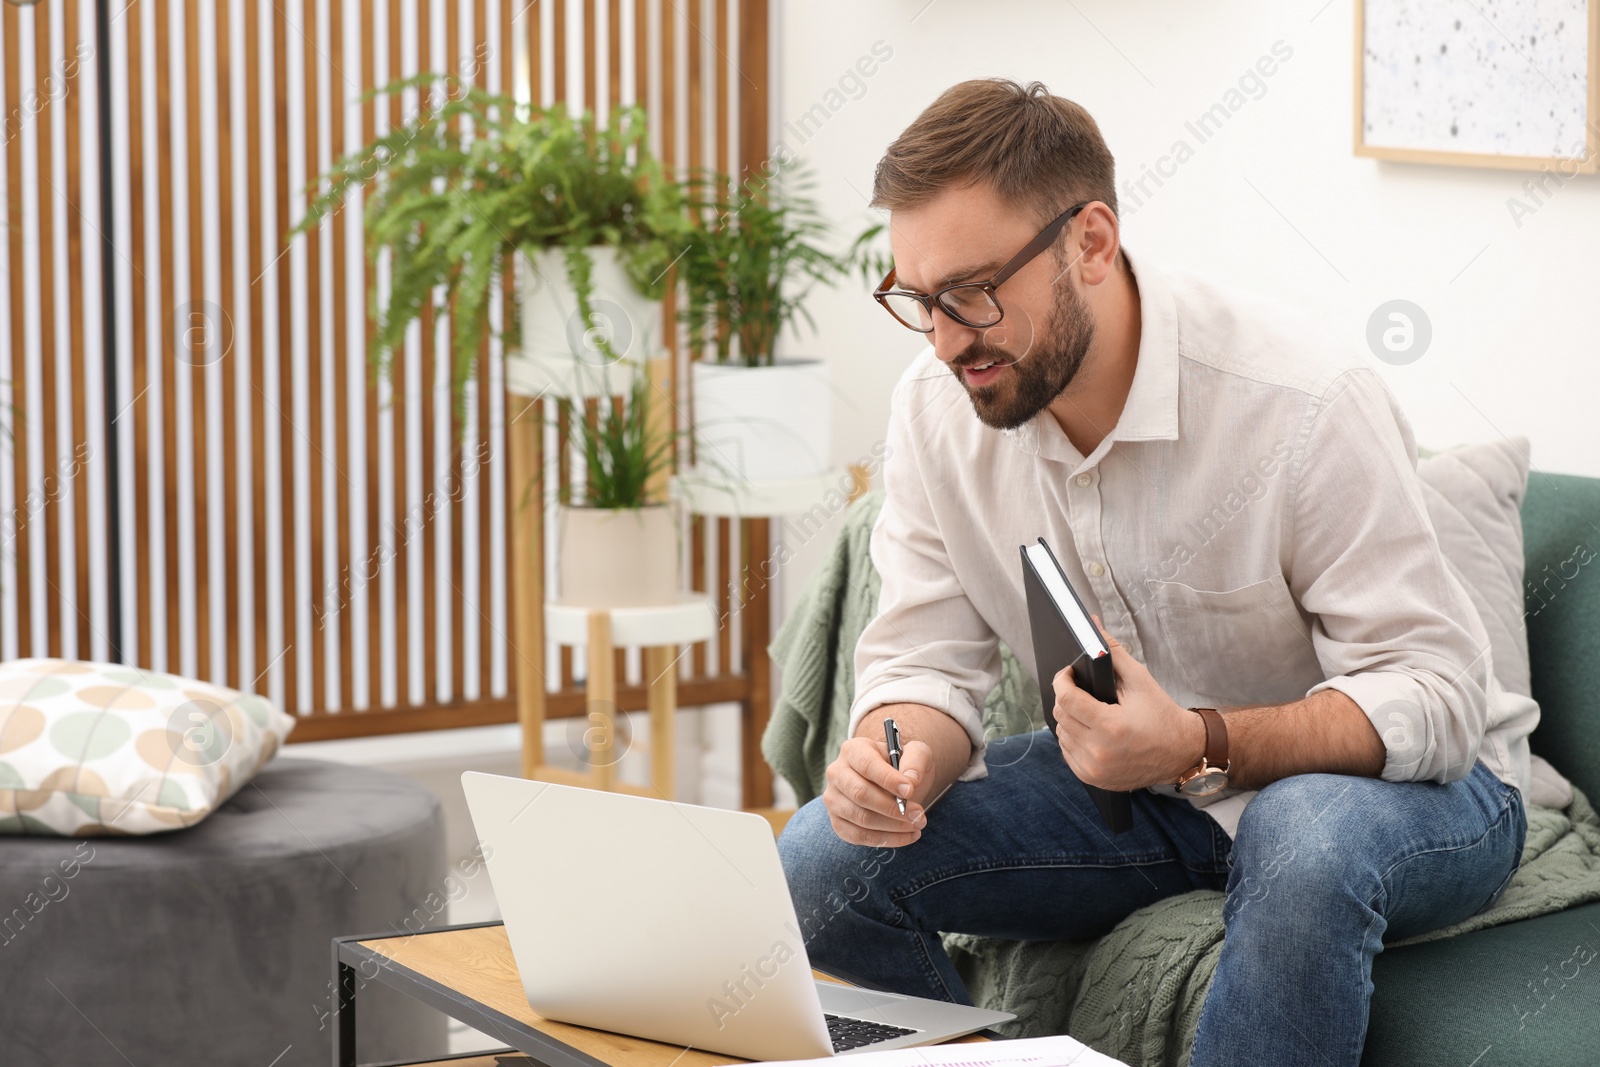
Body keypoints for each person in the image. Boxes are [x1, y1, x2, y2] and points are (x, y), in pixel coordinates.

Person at [774, 78, 1536, 1067]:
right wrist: (895, 755)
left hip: (1411, 793)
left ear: (1090, 242)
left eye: (971, 293)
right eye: (917, 300)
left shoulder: (1299, 404)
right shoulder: (935, 410)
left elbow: (1434, 700)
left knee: (1300, 838)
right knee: (821, 860)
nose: (947, 338)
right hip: (1142, 801)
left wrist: (1190, 740)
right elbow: (922, 661)